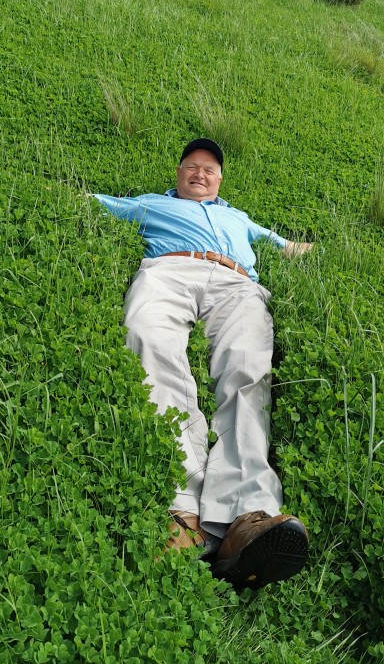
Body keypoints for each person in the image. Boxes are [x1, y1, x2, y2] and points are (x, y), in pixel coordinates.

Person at [92, 139, 313, 591]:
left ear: (220, 182)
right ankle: (184, 510)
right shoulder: (149, 205)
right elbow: (99, 202)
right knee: (149, 341)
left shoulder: (238, 218)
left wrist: (299, 247)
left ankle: (247, 515)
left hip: (236, 283)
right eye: (191, 167)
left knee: (248, 370)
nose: (200, 174)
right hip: (169, 271)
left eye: (209, 170)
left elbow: (282, 243)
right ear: (178, 175)